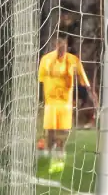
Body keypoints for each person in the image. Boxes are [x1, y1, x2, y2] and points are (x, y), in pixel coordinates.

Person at [37, 32, 97, 176]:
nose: (61, 47)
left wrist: (91, 92)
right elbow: (41, 80)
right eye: (58, 45)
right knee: (50, 131)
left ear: (66, 45)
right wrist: (39, 99)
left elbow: (83, 78)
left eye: (63, 44)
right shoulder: (46, 60)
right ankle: (48, 154)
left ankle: (60, 154)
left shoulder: (73, 60)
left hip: (65, 103)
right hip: (51, 102)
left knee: (63, 132)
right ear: (54, 45)